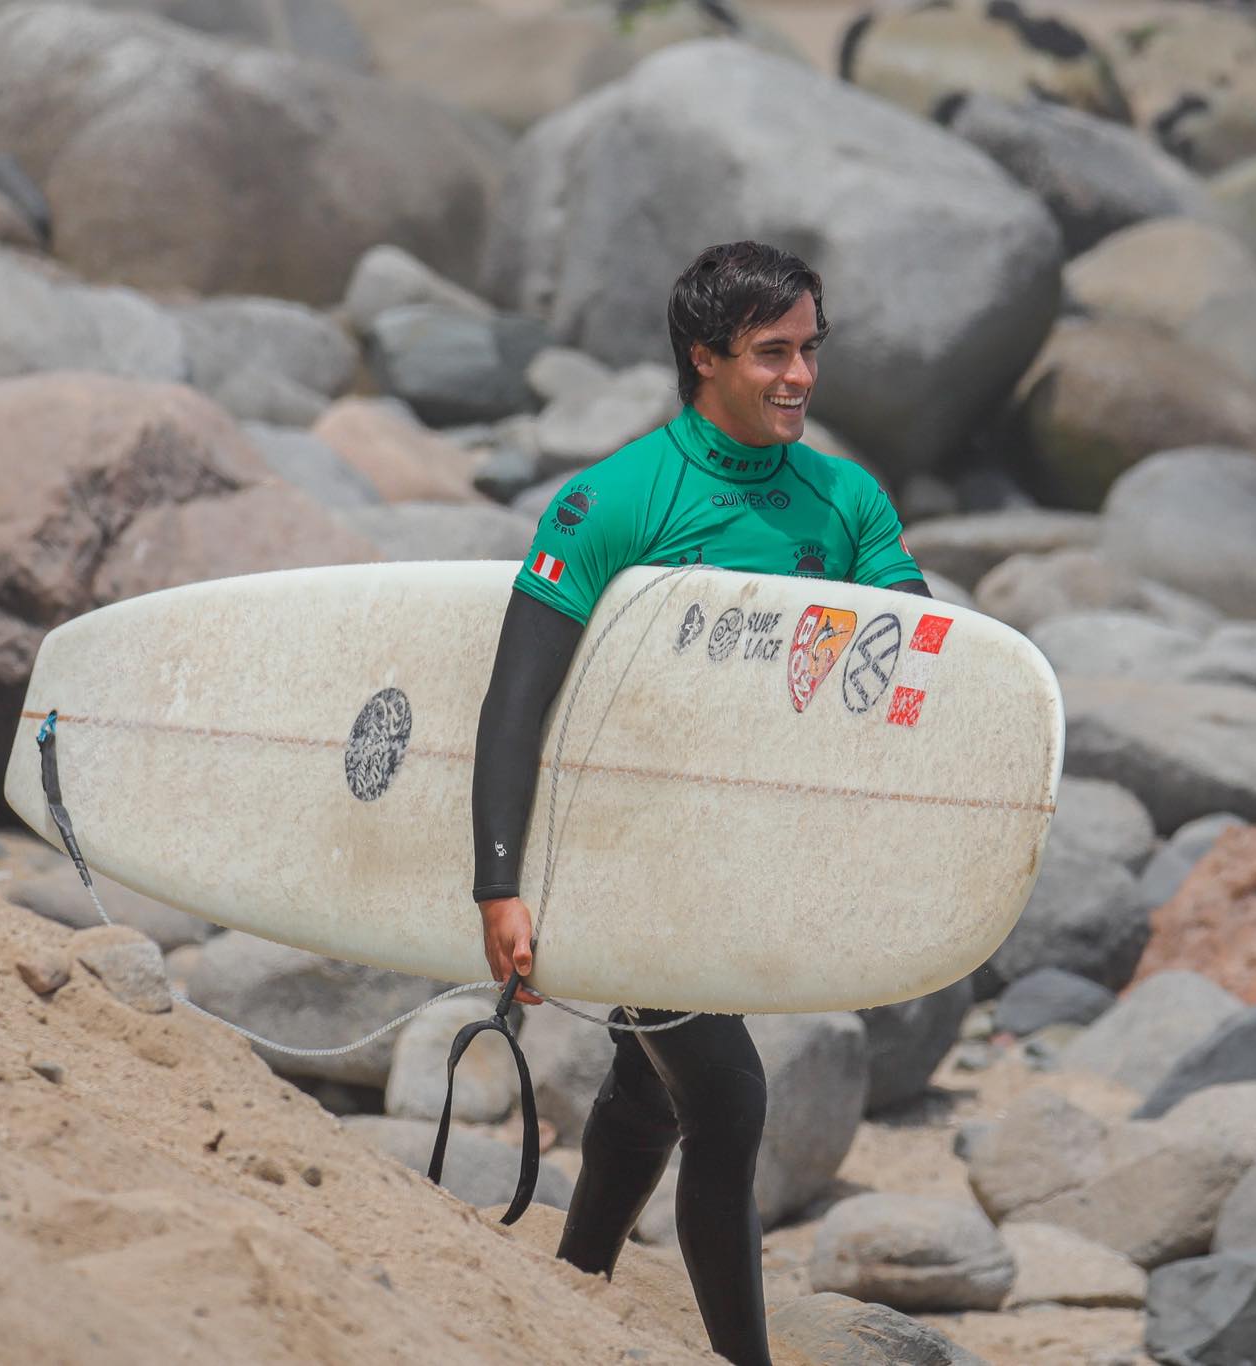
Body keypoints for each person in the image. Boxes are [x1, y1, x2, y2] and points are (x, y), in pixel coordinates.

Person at [470, 240, 932, 1366]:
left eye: (808, 349)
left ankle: (573, 1288)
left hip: (748, 850)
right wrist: (499, 882)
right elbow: (513, 703)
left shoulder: (847, 499)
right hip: (625, 846)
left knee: (646, 1088)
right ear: (703, 357)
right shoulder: (612, 503)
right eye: (771, 352)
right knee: (724, 1099)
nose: (799, 376)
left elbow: (920, 672)